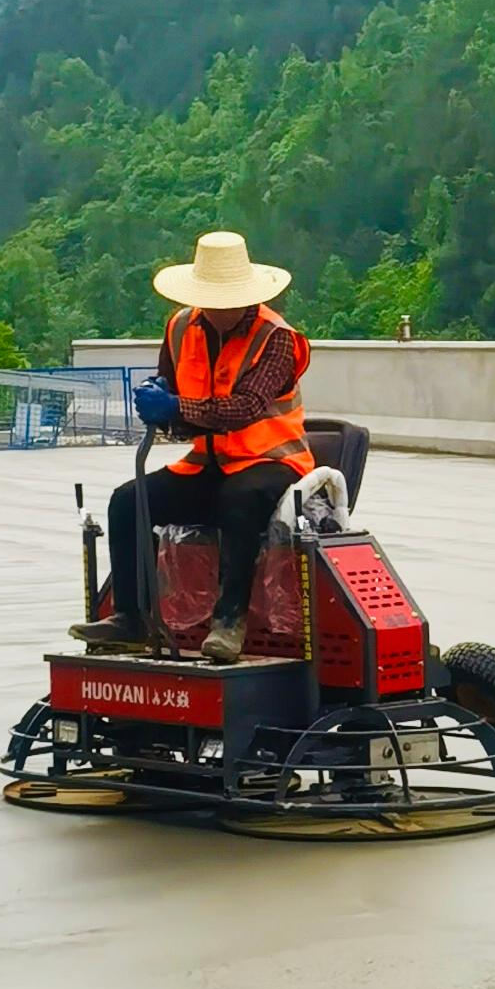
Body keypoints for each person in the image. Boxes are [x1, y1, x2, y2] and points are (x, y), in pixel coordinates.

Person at [74, 230, 313, 665]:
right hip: (208, 461)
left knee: (237, 498)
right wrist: (160, 405)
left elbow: (244, 407)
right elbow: (182, 413)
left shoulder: (277, 338)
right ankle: (132, 617)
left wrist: (175, 404)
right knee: (129, 501)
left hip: (273, 461)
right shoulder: (181, 327)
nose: (219, 307)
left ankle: (228, 622)